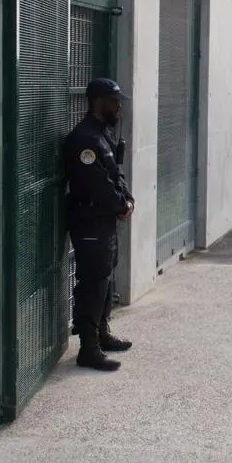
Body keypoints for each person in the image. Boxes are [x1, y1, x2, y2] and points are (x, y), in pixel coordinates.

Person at [63, 77, 136, 372]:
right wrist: (120, 205)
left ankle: (102, 333)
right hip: (89, 222)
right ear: (97, 102)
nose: (119, 107)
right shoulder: (84, 140)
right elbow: (97, 186)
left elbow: (116, 174)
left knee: (105, 277)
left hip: (104, 221)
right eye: (114, 101)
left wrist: (127, 200)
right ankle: (88, 348)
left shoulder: (103, 135)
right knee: (92, 282)